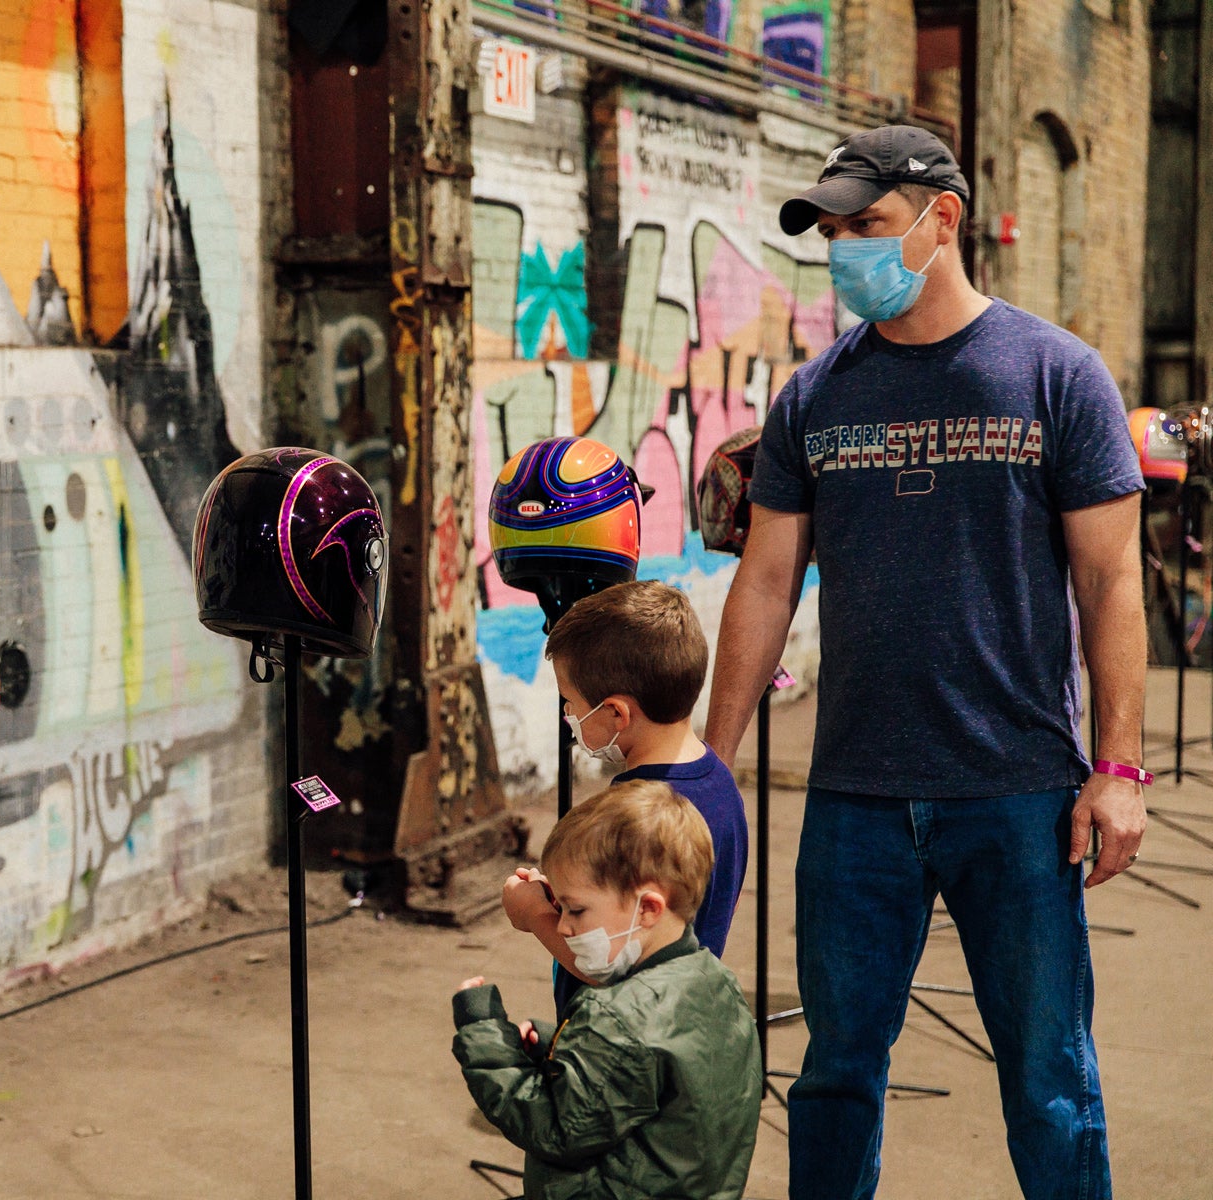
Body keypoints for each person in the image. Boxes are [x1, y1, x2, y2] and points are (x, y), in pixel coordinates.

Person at [704, 124, 1147, 1200]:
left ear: (942, 219)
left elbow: (1110, 585)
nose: (846, 249)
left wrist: (1119, 768)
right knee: (837, 1077)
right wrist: (705, 769)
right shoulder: (816, 396)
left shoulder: (1056, 375)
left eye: (868, 225)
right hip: (857, 796)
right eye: (834, 232)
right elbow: (766, 583)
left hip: (1020, 791)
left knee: (1048, 1080)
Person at [453, 780, 761, 1200]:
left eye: (575, 910)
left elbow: (552, 1124)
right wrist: (560, 1048)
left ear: (648, 908)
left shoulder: (616, 1018)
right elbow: (651, 1076)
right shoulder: (716, 981)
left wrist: (483, 1032)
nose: (563, 926)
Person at [504, 579, 749, 1021]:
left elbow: (613, 965)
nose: (569, 716)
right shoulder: (719, 783)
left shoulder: (639, 814)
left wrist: (535, 916)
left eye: (571, 702)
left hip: (624, 1043)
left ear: (616, 713)